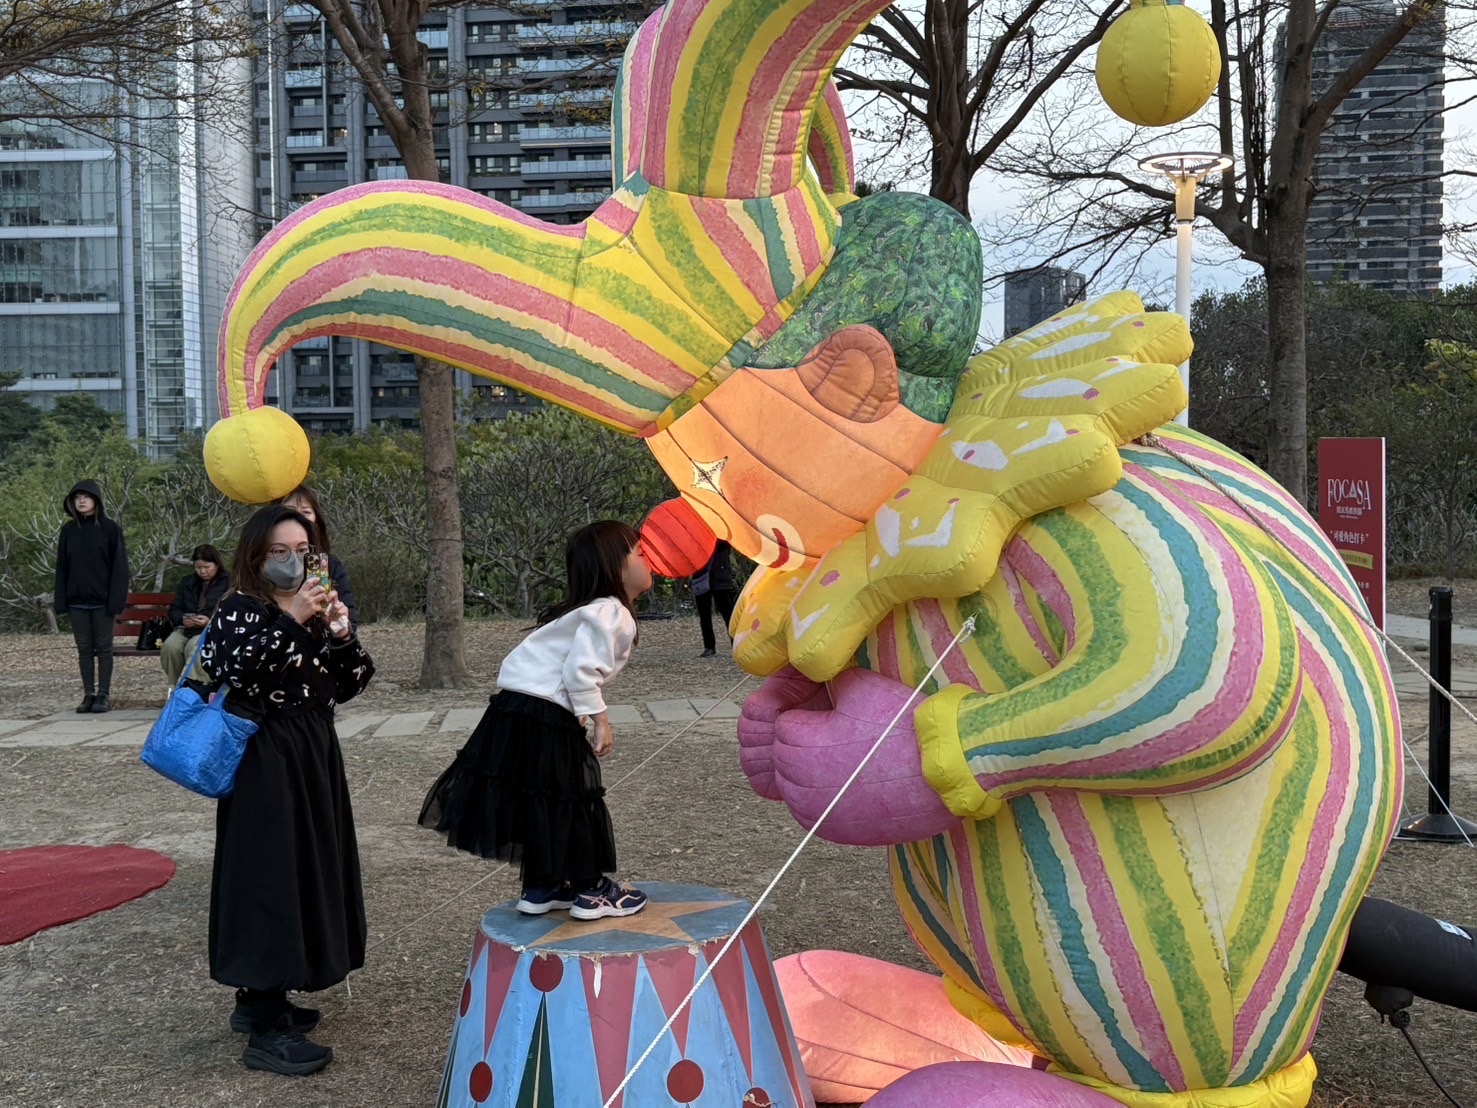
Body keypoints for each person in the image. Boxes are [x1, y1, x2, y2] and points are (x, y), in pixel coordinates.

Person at [199, 504, 375, 1077]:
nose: (292, 561)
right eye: (279, 551)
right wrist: (293, 619)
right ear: (256, 555)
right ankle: (267, 1027)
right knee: (268, 874)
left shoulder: (313, 607)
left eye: (303, 551)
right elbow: (240, 672)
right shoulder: (238, 609)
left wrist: (340, 633)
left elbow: (349, 684)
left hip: (312, 752)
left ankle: (259, 1002)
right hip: (263, 755)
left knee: (304, 869)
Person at [419, 520, 653, 921]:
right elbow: (581, 671)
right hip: (544, 712)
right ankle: (591, 890)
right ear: (613, 566)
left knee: (540, 795)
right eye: (641, 553)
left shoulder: (586, 612)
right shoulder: (612, 612)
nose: (650, 560)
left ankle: (543, 884)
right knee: (571, 797)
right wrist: (600, 719)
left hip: (514, 710)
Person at [53, 479, 129, 714]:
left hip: (103, 602)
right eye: (77, 498)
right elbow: (62, 567)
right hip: (77, 601)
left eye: (86, 497)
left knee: (104, 647)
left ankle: (103, 695)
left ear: (96, 500)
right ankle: (88, 694)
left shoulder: (110, 529)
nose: (81, 501)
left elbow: (119, 568)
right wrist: (61, 600)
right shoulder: (68, 530)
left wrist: (115, 600)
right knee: (84, 648)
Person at [277, 485, 358, 630]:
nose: (299, 518)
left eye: (306, 512)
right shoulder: (264, 565)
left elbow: (349, 626)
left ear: (317, 519)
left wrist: (340, 624)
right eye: (290, 511)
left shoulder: (330, 564)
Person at [159, 544, 230, 684]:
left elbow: (233, 611)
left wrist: (209, 620)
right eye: (198, 567)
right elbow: (175, 609)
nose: (202, 571)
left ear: (216, 565)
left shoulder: (229, 582)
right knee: (171, 647)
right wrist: (182, 619)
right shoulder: (187, 582)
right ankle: (177, 686)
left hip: (214, 629)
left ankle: (197, 686)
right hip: (186, 628)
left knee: (193, 647)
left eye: (207, 567)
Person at [693, 540, 738, 658]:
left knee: (728, 614)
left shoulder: (723, 540)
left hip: (720, 579)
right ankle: (709, 646)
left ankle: (736, 644)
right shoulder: (696, 538)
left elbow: (728, 543)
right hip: (701, 578)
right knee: (704, 615)